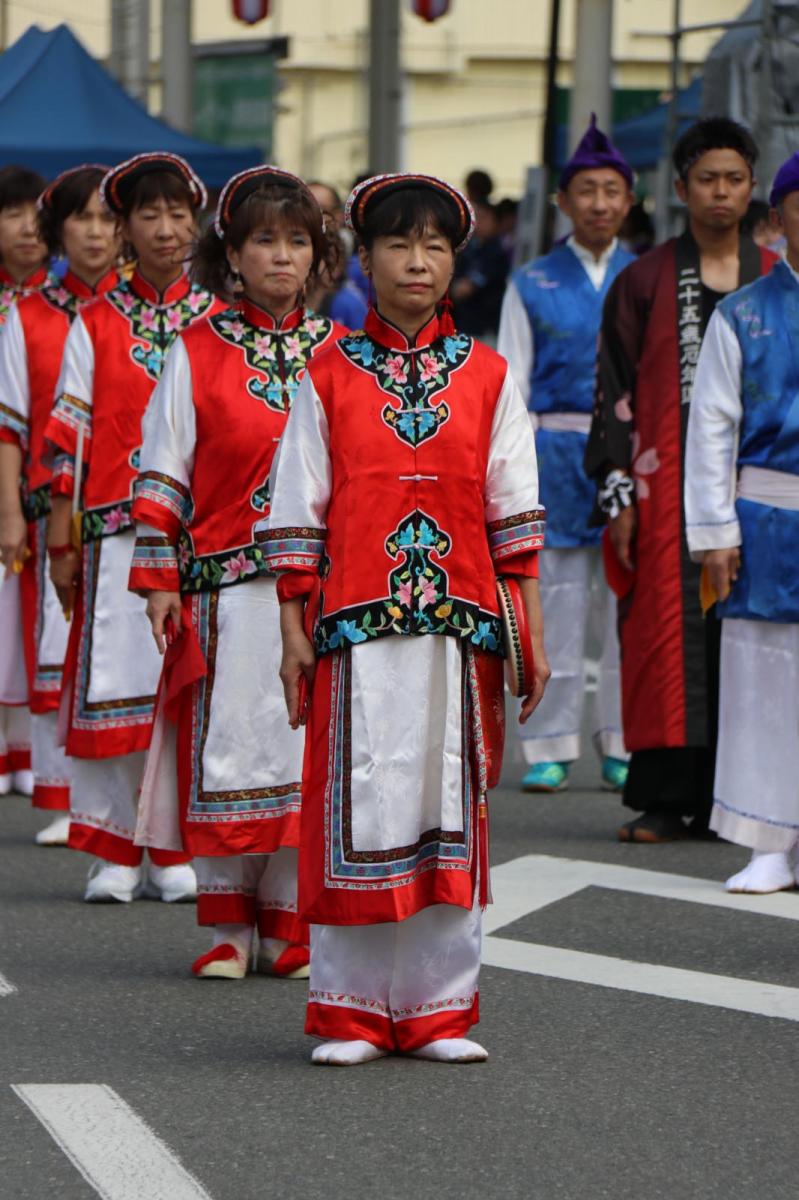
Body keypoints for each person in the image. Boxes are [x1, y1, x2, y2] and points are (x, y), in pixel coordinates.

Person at [264, 172, 549, 1065]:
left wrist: (527, 632)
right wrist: (289, 630)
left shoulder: (490, 376)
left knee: (443, 804)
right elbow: (297, 506)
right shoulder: (328, 373)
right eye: (397, 243)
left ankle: (435, 1009)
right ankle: (350, 1009)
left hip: (459, 627)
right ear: (367, 258)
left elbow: (514, 508)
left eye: (433, 245)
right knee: (360, 802)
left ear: (455, 260)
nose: (416, 260)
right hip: (352, 622)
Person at [129, 165, 346, 977]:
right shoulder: (194, 351)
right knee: (230, 749)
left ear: (319, 255)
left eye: (297, 240)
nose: (282, 256)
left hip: (315, 588)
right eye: (265, 240)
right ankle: (227, 925)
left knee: (297, 754)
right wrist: (156, 579)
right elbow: (162, 471)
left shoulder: (339, 354)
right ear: (234, 252)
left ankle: (289, 921)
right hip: (222, 589)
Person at [585, 118, 778, 843]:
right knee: (667, 641)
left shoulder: (777, 279)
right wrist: (618, 495)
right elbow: (611, 391)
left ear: (752, 187)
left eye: (733, 178)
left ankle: (749, 801)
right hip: (661, 490)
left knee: (757, 644)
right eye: (706, 178)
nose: (720, 191)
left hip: (760, 490)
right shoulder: (643, 280)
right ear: (679, 189)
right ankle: (665, 796)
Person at [43, 152, 224, 902]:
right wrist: (62, 536)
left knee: (180, 695)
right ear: (124, 229)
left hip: (192, 539)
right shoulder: (92, 322)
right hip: (114, 533)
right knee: (115, 691)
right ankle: (117, 847)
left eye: (178, 213)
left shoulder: (218, 322)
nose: (165, 228)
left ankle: (172, 847)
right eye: (147, 215)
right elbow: (69, 439)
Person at [498, 115, 635, 793]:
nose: (600, 203)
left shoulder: (648, 277)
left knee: (623, 605)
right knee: (549, 599)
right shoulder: (530, 281)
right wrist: (512, 472)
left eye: (612, 190)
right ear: (563, 200)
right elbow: (510, 386)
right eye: (586, 190)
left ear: (629, 200)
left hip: (627, 457)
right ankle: (546, 742)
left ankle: (623, 739)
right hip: (550, 450)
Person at [685, 153, 799, 892]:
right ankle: (767, 839)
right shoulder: (743, 313)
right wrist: (715, 534)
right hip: (766, 515)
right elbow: (711, 429)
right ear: (778, 217)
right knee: (762, 680)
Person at [0, 165, 120, 845]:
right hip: (58, 514)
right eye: (83, 219)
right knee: (57, 647)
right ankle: (62, 792)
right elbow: (11, 424)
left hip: (132, 514)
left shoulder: (147, 319)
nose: (97, 232)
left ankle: (128, 804)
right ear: (59, 230)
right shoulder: (27, 316)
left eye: (108, 218)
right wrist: (13, 515)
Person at [0, 165, 53, 799]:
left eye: (36, 215)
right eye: (11, 214)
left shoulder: (64, 306)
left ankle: (30, 751)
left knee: (29, 615)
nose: (25, 228)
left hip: (38, 478)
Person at [451, 200, 508, 339]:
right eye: (476, 217)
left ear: (496, 222)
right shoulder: (469, 248)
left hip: (484, 328)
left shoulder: (495, 253)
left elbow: (464, 290)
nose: (478, 222)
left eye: (484, 217)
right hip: (463, 324)